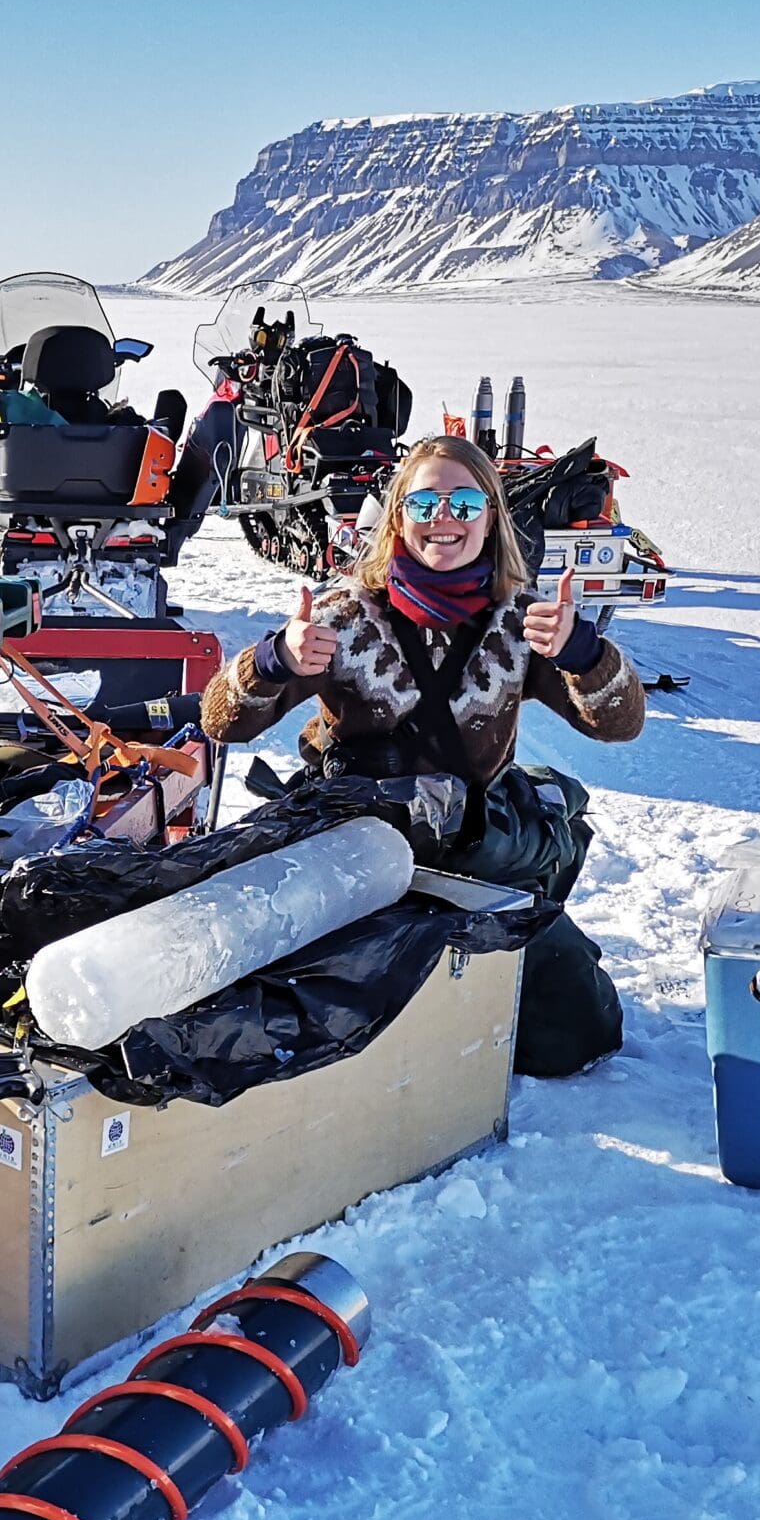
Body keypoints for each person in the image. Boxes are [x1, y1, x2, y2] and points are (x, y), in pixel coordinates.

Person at [197, 435, 646, 1076]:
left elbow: (619, 724)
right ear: (397, 516)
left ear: (492, 517)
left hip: (474, 855)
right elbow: (224, 721)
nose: (445, 520)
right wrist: (274, 660)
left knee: (578, 1031)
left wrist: (585, 655)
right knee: (302, 1030)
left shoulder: (522, 622)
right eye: (424, 501)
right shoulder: (344, 617)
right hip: (351, 854)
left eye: (465, 503)